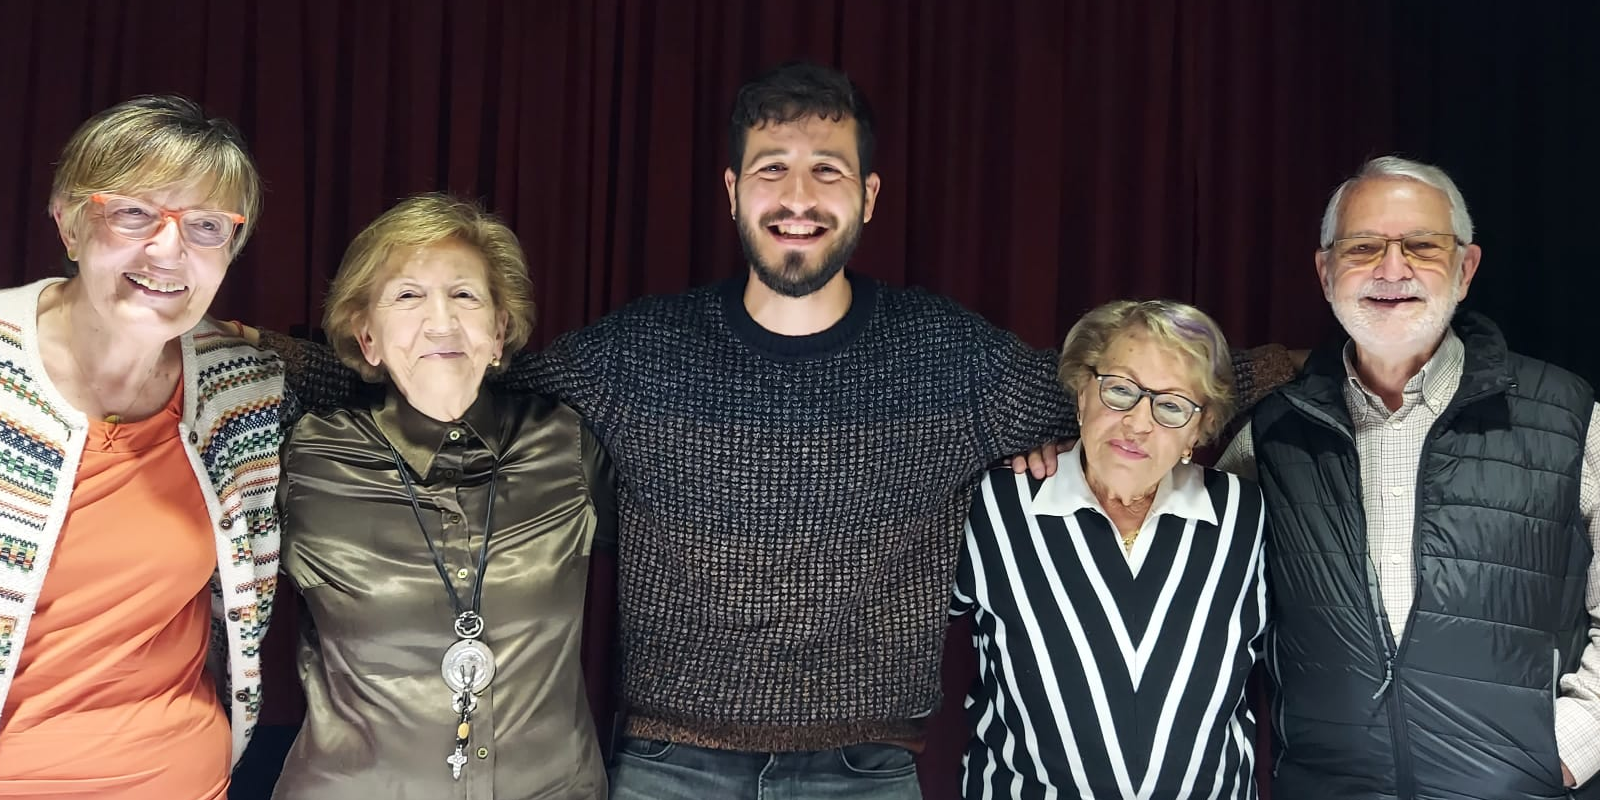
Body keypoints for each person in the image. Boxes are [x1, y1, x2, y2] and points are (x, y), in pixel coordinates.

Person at [266, 61, 1296, 798]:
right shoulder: (636, 353)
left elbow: (1117, 391)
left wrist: (1325, 369)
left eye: (826, 171)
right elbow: (452, 370)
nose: (797, 197)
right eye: (771, 170)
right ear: (730, 190)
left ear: (868, 196)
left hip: (865, 767)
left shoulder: (953, 357)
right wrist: (233, 349)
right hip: (668, 761)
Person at [1217, 155, 1600, 799]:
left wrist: (1566, 748)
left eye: (1421, 245)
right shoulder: (1271, 435)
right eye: (1363, 247)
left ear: (1465, 269)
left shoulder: (1569, 415)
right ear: (1325, 271)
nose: (1391, 270)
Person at [269, 194, 614, 800]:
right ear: (366, 337)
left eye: (465, 295)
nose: (441, 323)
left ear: (500, 331)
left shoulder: (569, 445)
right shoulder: (303, 458)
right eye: (407, 296)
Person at [0, 96, 284, 799]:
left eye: (206, 227)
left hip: (183, 777)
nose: (167, 249)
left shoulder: (243, 388)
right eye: (133, 213)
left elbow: (381, 370)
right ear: (68, 222)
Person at [954, 299, 1265, 799]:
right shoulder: (995, 505)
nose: (1138, 423)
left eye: (1170, 405)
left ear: (1199, 430)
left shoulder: (1246, 516)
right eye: (1120, 390)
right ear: (1081, 394)